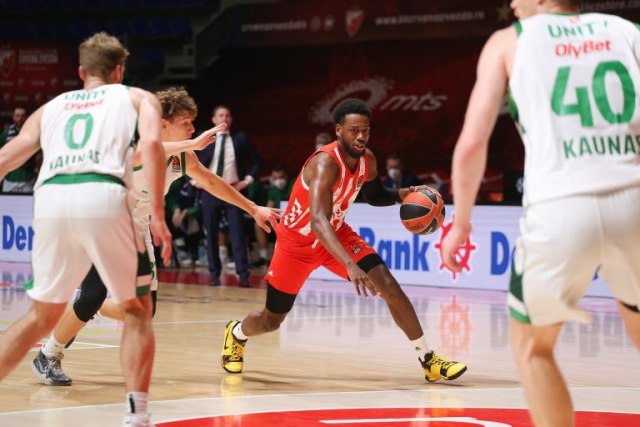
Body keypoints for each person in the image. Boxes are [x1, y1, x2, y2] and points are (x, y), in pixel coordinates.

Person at [440, 2, 640, 426]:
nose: (512, 4)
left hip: (559, 208)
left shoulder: (508, 42)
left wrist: (461, 223)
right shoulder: (625, 30)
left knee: (532, 348)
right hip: (634, 198)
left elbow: (472, 143)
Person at [32, 87, 279, 386]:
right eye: (186, 122)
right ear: (163, 123)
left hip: (137, 226)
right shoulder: (132, 140)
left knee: (144, 310)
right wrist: (191, 143)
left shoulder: (183, 157)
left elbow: (212, 182)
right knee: (94, 292)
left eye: (192, 123)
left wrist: (253, 208)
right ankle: (49, 354)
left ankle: (84, 308)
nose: (192, 128)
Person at [221, 98, 467, 383]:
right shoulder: (325, 164)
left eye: (366, 130)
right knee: (271, 320)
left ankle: (428, 359)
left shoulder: (367, 160)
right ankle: (236, 333)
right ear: (338, 130)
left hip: (336, 232)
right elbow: (318, 221)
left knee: (388, 284)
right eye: (354, 130)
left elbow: (375, 196)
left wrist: (405, 194)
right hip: (296, 243)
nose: (361, 136)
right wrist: (350, 265)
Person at [0, 32, 172, 427]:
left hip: (50, 199)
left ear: (81, 72)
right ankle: (137, 416)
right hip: (103, 193)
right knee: (137, 309)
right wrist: (159, 213)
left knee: (40, 316)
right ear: (119, 70)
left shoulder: (51, 107)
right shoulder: (137, 97)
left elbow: (8, 157)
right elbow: (152, 145)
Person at [198, 105, 262, 287]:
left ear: (231, 119)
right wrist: (195, 181)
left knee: (238, 233)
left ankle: (243, 275)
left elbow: (257, 161)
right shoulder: (205, 138)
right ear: (214, 119)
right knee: (211, 234)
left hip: (232, 190)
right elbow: (190, 159)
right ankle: (214, 274)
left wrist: (246, 181)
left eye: (227, 115)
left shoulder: (240, 138)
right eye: (220, 115)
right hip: (210, 190)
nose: (224, 118)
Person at [251, 164, 294, 267]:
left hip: (293, 219)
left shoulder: (294, 185)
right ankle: (264, 257)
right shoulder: (274, 189)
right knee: (258, 225)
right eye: (275, 178)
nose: (278, 181)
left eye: (281, 177)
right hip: (279, 218)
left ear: (286, 176)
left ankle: (285, 258)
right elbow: (269, 207)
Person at [0, 107, 38, 193]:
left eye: (22, 116)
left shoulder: (34, 132)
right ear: (13, 117)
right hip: (10, 180)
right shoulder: (6, 134)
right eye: (17, 116)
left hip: (28, 180)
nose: (20, 118)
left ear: (27, 117)